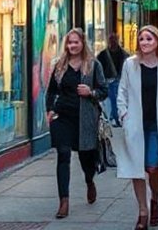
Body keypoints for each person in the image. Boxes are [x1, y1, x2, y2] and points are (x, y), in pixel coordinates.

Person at [116, 25, 158, 229]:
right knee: (136, 168)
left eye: (149, 39)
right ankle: (143, 211)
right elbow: (122, 91)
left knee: (154, 167)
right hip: (135, 123)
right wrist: (123, 114)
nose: (144, 42)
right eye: (141, 39)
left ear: (157, 42)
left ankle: (154, 199)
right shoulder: (130, 64)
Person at [45, 28, 108, 219]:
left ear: (82, 43)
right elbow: (51, 91)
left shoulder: (93, 65)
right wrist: (50, 110)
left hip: (85, 119)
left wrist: (90, 92)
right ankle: (64, 202)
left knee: (86, 158)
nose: (72, 46)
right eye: (69, 42)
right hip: (62, 118)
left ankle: (89, 180)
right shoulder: (60, 66)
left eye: (76, 42)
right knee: (63, 155)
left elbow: (104, 91)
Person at [97, 33, 129, 127]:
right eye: (111, 40)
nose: (112, 42)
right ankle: (114, 117)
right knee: (112, 100)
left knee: (116, 100)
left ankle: (115, 117)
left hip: (119, 80)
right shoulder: (103, 55)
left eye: (114, 40)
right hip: (108, 80)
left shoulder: (124, 54)